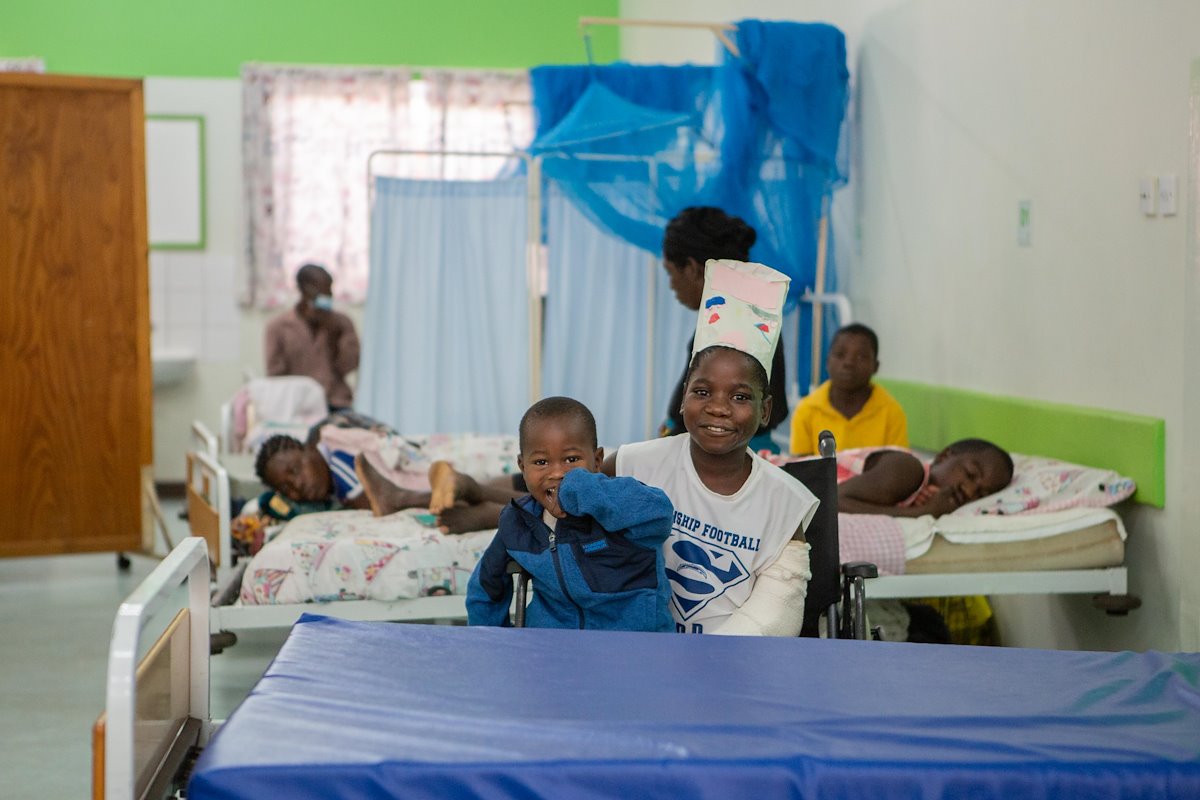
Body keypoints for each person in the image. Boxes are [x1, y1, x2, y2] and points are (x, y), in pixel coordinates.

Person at [608, 260, 819, 636]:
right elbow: (569, 507)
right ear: (682, 397)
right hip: (635, 655)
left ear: (765, 410)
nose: (718, 407)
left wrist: (706, 663)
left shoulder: (784, 504)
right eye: (702, 392)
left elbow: (776, 617)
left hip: (735, 670)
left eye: (740, 396)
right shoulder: (634, 464)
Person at [466, 397, 675, 631]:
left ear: (597, 461)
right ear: (522, 467)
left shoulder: (616, 503)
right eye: (541, 462)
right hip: (554, 649)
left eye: (572, 459)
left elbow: (661, 514)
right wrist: (491, 641)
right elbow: (486, 586)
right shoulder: (517, 522)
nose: (557, 473)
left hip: (634, 646)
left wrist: (580, 487)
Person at [661, 207, 788, 452]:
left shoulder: (728, 336)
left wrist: (667, 445)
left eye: (670, 272)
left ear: (691, 268)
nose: (671, 285)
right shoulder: (755, 322)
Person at [789, 323, 909, 456]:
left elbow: (896, 465)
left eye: (861, 356)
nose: (848, 363)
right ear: (827, 361)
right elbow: (801, 467)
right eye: (840, 355)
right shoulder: (807, 409)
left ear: (875, 366)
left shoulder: (891, 412)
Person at [264, 263, 360, 412]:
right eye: (318, 290)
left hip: (337, 403)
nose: (326, 295)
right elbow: (275, 374)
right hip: (297, 407)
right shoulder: (279, 327)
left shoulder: (342, 323)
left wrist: (334, 336)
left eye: (328, 290)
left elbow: (350, 364)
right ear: (303, 290)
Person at [836, 439, 1014, 518]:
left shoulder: (917, 491)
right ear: (945, 456)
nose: (969, 491)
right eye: (970, 474)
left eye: (981, 494)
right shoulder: (908, 469)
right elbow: (831, 502)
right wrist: (922, 513)